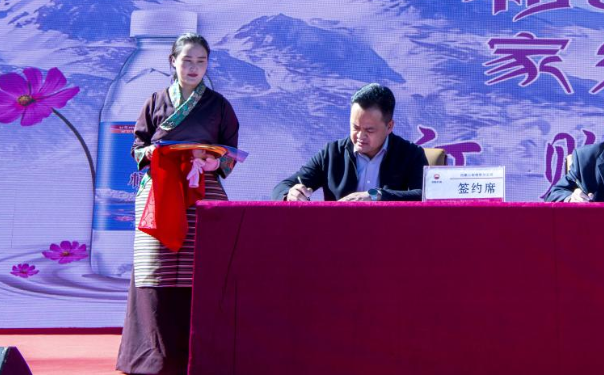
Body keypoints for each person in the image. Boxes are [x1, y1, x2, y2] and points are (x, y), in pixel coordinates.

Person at [116, 33, 240, 375]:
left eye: (201, 61)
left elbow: (230, 151)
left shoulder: (219, 105)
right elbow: (137, 149)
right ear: (173, 62)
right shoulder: (155, 101)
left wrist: (215, 162)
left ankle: (198, 355)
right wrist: (156, 153)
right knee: (155, 265)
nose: (194, 68)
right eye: (187, 61)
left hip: (202, 187)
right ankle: (151, 357)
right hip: (161, 188)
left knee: (198, 267)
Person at [272, 83, 428, 202]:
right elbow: (282, 187)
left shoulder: (411, 154)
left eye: (369, 130)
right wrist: (291, 194)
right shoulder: (332, 153)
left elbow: (425, 195)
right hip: (339, 231)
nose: (360, 136)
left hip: (391, 231)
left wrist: (376, 195)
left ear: (389, 126)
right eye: (355, 127)